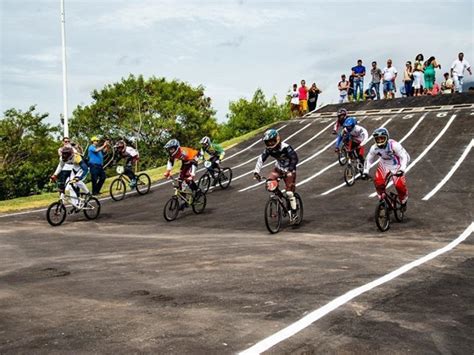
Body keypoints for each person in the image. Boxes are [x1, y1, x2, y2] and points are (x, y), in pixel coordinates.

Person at [253, 129, 299, 223]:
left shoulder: (286, 147)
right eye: (268, 142)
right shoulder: (269, 150)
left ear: (277, 139)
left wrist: (290, 170)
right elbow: (261, 159)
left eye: (272, 141)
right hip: (278, 169)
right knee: (270, 183)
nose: (270, 144)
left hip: (289, 170)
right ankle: (279, 198)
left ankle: (294, 213)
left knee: (290, 193)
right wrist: (256, 172)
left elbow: (294, 158)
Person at [363, 128, 410, 210]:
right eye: (377, 139)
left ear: (387, 137)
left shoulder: (394, 145)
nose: (380, 141)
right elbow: (368, 159)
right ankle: (382, 199)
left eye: (382, 138)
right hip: (384, 164)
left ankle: (403, 201)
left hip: (397, 165)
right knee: (378, 183)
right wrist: (365, 171)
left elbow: (404, 157)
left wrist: (402, 169)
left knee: (399, 186)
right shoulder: (374, 148)